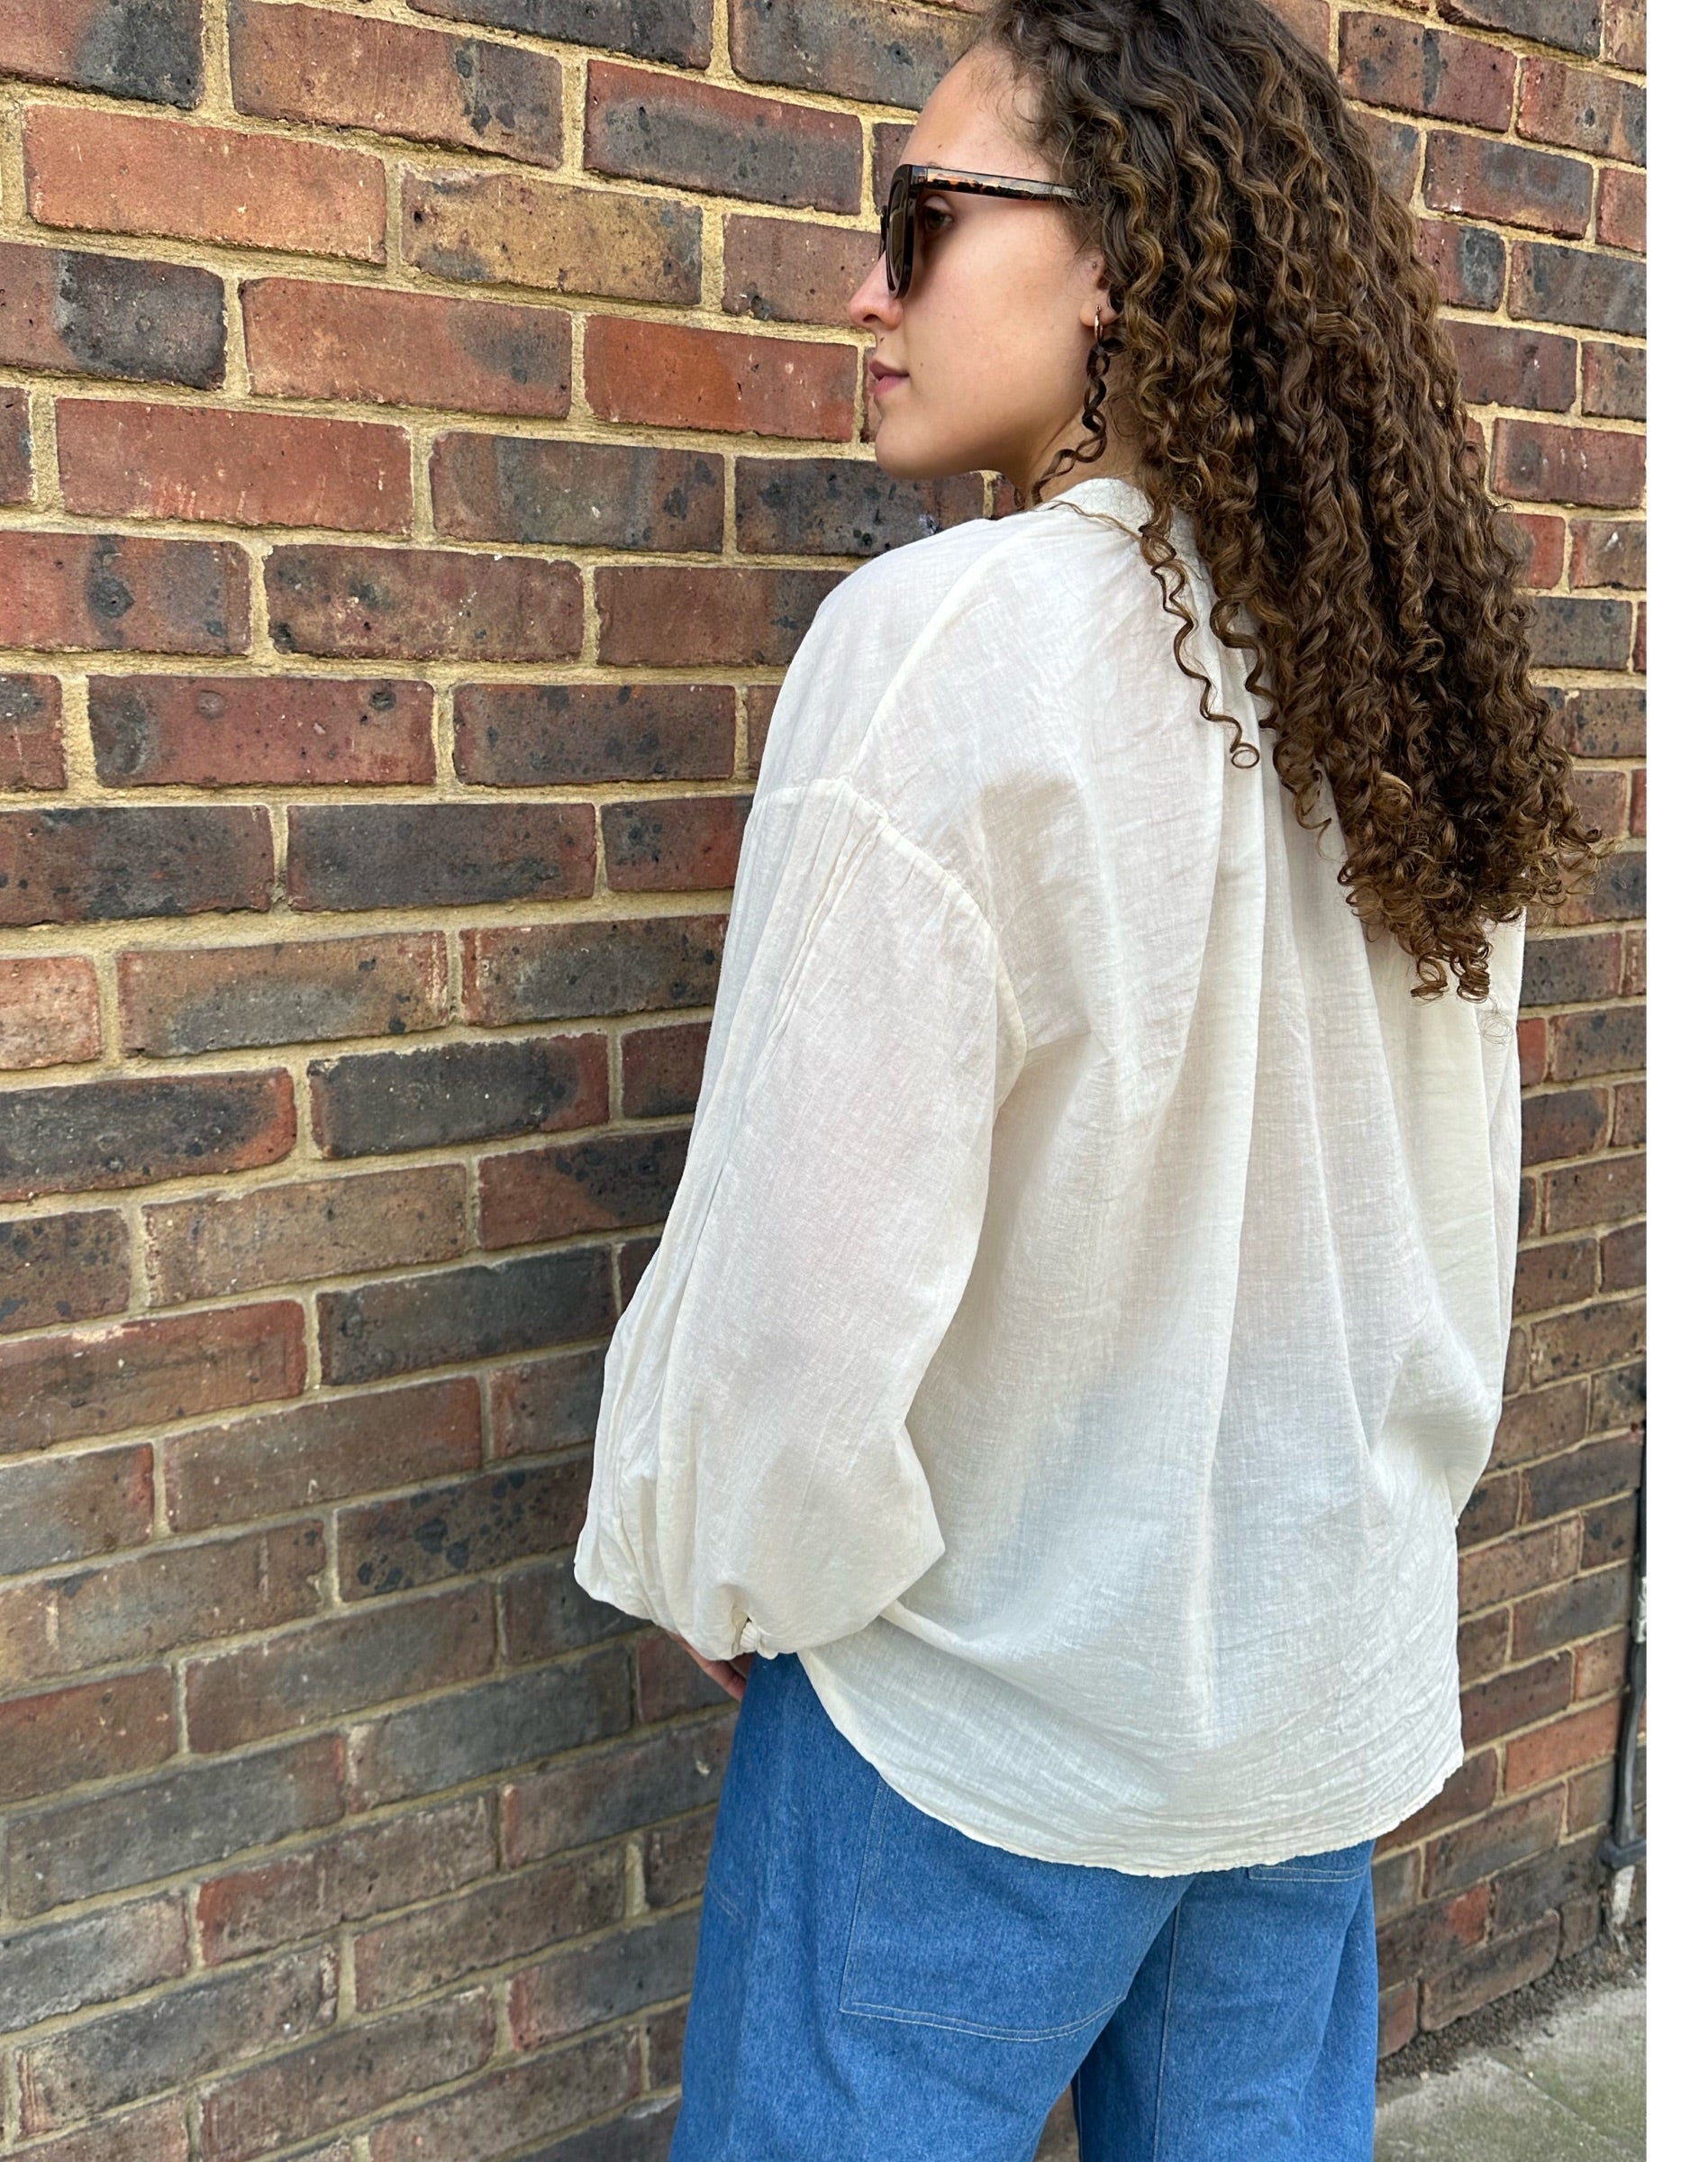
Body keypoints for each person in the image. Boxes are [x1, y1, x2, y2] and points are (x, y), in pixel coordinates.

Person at [569, 2, 1607, 2156]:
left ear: (1118, 256)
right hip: (1305, 1692)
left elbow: (803, 1271)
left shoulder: (956, 639)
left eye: (921, 222)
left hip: (985, 1713)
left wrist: (734, 1560)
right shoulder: (1400, 689)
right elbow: (1439, 1213)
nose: (865, 292)